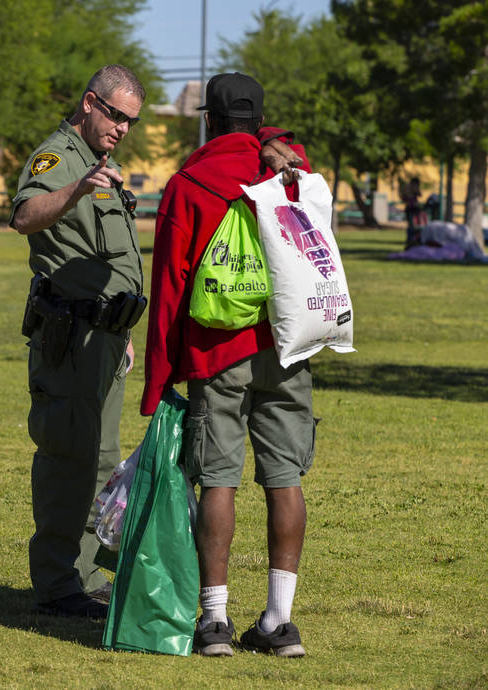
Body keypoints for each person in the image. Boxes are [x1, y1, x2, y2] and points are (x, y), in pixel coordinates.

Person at [141, 72, 313, 658]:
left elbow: (169, 286)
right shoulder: (291, 171)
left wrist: (159, 381)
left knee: (218, 477)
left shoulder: (189, 183)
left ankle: (214, 620)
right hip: (289, 342)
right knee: (284, 477)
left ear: (208, 121)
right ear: (260, 121)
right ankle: (279, 621)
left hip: (219, 348)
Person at [10, 64, 148, 618]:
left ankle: (85, 576)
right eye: (116, 116)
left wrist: (123, 328)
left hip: (106, 337)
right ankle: (56, 583)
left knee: (100, 461)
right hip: (69, 338)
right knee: (68, 458)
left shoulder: (99, 163)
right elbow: (24, 216)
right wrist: (75, 188)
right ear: (90, 103)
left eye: (131, 122)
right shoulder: (58, 159)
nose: (122, 129)